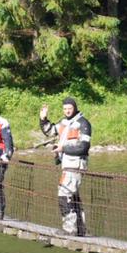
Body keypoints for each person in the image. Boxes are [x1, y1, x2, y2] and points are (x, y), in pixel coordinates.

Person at [38, 96, 91, 236]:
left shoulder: (83, 123)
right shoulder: (63, 122)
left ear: (75, 108)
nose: (67, 111)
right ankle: (80, 229)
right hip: (66, 165)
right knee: (72, 196)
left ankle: (69, 229)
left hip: (76, 165)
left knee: (64, 193)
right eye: (65, 109)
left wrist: (63, 149)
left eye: (70, 108)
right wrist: (43, 119)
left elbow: (84, 147)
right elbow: (50, 131)